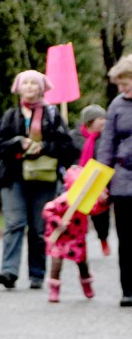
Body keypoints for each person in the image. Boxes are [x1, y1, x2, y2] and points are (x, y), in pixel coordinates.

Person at [0, 70, 77, 291]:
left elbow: (68, 147)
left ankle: (37, 273)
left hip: (44, 178)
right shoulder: (11, 116)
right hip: (14, 177)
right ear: (18, 87)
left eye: (34, 83)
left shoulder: (52, 115)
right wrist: (18, 143)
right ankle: (9, 271)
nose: (29, 87)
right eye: (25, 83)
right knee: (14, 223)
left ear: (41, 88)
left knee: (39, 227)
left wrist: (45, 147)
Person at [42, 165, 109, 302]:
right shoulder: (64, 200)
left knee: (82, 263)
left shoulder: (85, 202)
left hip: (76, 237)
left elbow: (95, 209)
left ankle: (87, 284)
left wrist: (103, 202)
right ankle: (54, 290)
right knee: (56, 263)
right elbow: (48, 210)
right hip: (60, 237)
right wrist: (58, 222)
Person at [100, 55, 132, 307]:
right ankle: (128, 290)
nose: (122, 88)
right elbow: (107, 145)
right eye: (120, 84)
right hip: (123, 180)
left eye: (126, 82)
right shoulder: (116, 106)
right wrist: (101, 181)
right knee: (126, 238)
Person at [70, 104, 111, 256]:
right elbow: (66, 155)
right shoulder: (74, 137)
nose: (104, 122)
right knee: (77, 217)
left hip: (99, 182)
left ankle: (103, 238)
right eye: (100, 118)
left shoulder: (106, 137)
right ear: (89, 121)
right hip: (77, 180)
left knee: (101, 216)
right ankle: (78, 245)